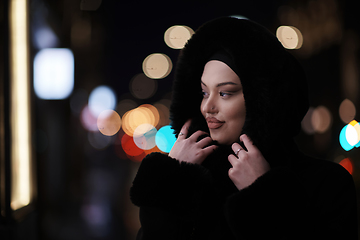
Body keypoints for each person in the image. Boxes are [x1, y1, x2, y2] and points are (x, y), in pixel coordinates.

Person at [130, 17, 358, 239]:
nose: (207, 107)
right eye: (204, 92)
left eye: (225, 93)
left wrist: (263, 196)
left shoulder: (326, 183)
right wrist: (174, 181)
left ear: (263, 99)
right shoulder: (194, 182)